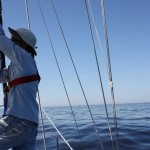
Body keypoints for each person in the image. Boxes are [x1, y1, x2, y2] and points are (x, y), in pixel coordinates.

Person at [0, 24, 40, 150]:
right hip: (30, 125)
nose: (10, 42)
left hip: (18, 121)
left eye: (13, 40)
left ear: (23, 45)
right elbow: (2, 76)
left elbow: (1, 40)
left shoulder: (23, 56)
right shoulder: (20, 66)